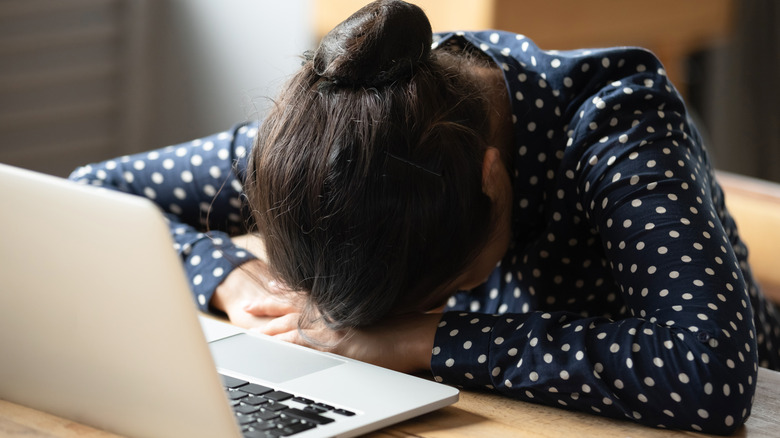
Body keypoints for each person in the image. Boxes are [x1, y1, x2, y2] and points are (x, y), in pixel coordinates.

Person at [70, 0, 780, 434]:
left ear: (492, 182)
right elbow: (92, 195)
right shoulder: (344, 126)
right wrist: (233, 276)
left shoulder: (615, 120)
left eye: (436, 287)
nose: (366, 329)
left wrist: (427, 339)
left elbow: (708, 370)